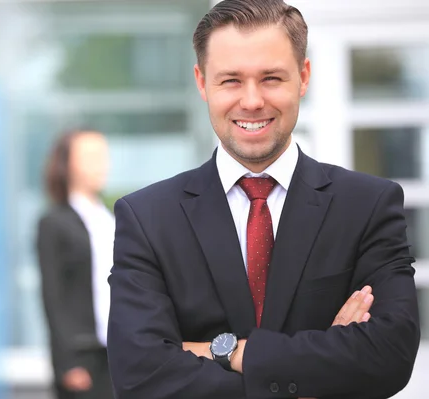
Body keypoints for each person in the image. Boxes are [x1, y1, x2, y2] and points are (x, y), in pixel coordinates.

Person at [107, 1, 420, 398]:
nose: (252, 101)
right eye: (231, 80)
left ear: (303, 77)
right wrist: (321, 362)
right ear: (202, 83)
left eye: (271, 78)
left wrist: (228, 352)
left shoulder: (368, 206)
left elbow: (388, 356)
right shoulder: (147, 218)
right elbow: (139, 375)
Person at [37, 130, 115, 399]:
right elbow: (52, 296)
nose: (102, 163)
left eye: (104, 155)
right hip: (83, 356)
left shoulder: (111, 218)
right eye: (91, 156)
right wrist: (66, 362)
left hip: (116, 351)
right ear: (67, 164)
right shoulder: (53, 223)